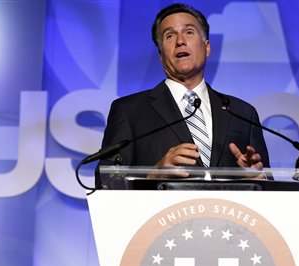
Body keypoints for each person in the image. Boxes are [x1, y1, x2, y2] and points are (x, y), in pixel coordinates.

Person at [96, 3, 269, 181]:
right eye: (170, 36)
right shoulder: (129, 111)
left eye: (189, 32)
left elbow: (268, 184)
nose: (180, 41)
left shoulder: (242, 113)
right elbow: (105, 182)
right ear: (161, 56)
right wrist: (153, 174)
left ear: (207, 47)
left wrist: (257, 178)